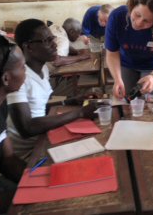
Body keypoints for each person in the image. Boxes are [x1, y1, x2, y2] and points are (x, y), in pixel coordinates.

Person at [6, 19, 96, 162]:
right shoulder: (19, 79)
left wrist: (69, 102)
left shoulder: (42, 69)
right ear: (28, 47)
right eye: (47, 40)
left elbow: (39, 109)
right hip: (30, 154)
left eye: (52, 38)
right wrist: (79, 112)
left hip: (44, 137)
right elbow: (27, 127)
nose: (54, 44)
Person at [0, 35, 26, 214]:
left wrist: (38, 180)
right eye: (23, 67)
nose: (26, 71)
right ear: (6, 78)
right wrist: (32, 198)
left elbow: (7, 159)